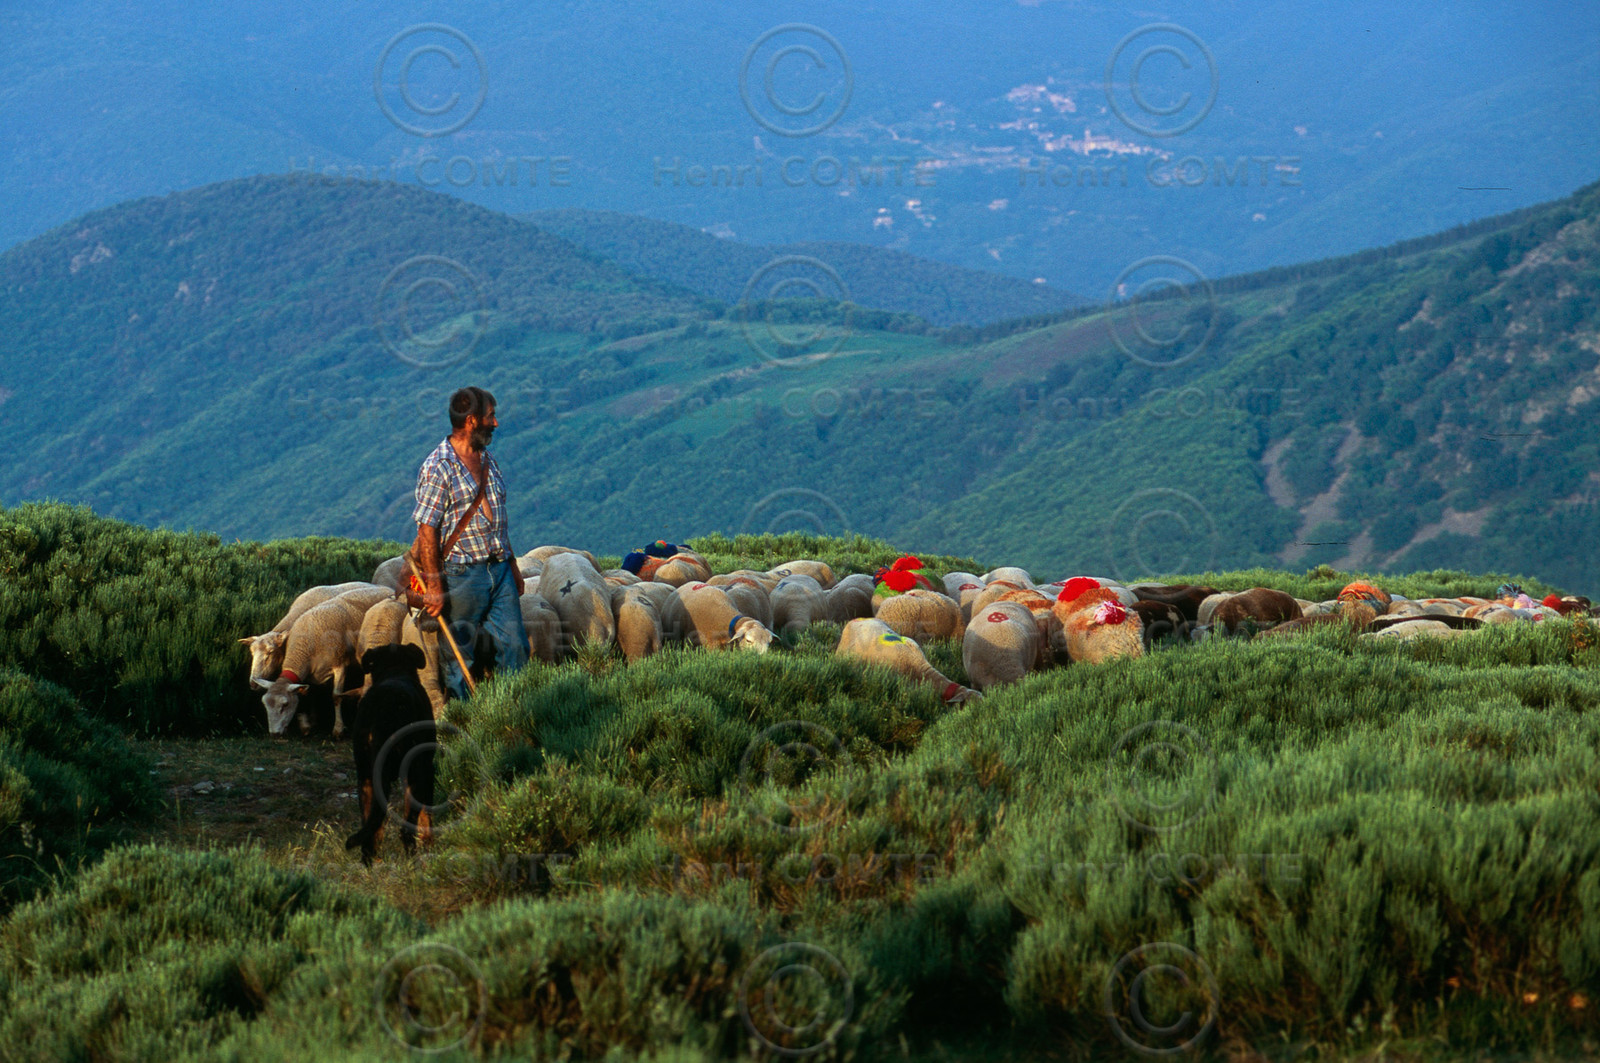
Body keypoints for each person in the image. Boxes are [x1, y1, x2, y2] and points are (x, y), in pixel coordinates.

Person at [412, 386, 529, 700]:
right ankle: (464, 725)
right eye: (491, 416)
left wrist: (513, 565)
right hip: (462, 575)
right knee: (460, 658)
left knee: (516, 646)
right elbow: (427, 530)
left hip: (499, 569)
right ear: (472, 421)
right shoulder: (440, 467)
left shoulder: (487, 460)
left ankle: (509, 716)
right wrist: (435, 585)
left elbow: (496, 519)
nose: (496, 423)